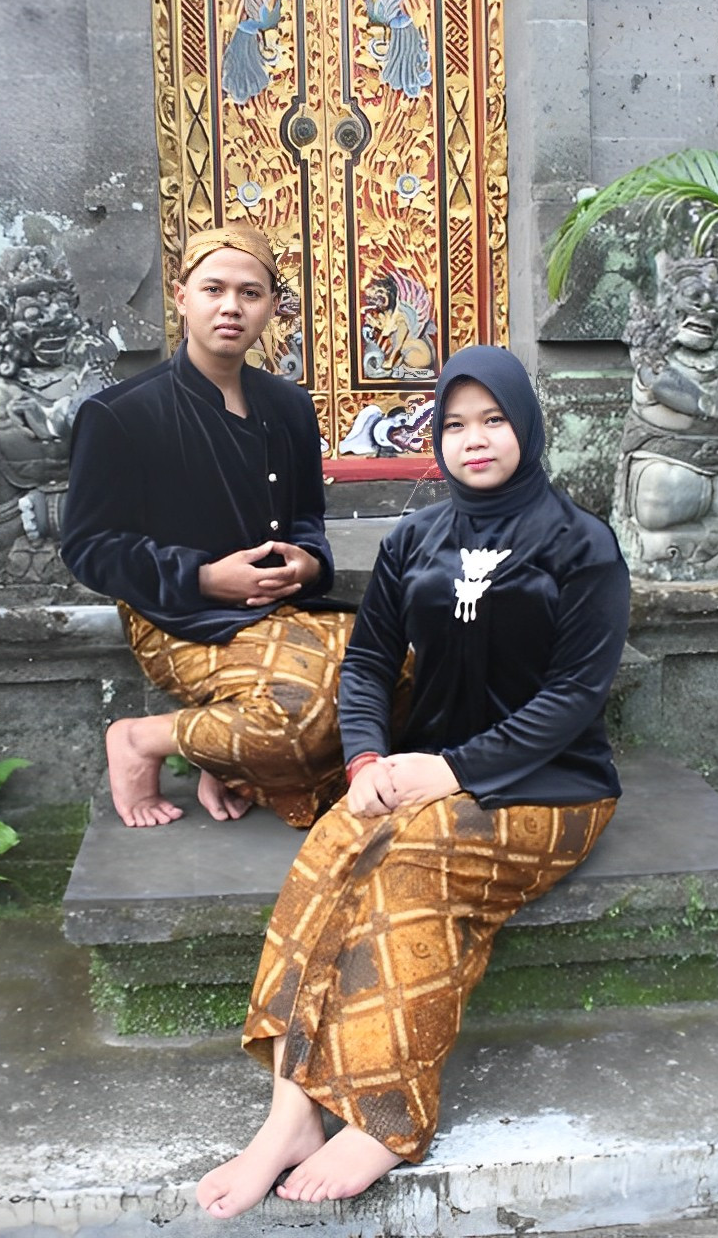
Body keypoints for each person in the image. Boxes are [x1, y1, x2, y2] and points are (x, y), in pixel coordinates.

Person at [195, 344, 630, 1217]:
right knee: (335, 842)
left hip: (551, 787)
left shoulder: (582, 546)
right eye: (455, 425)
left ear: (526, 425)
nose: (475, 439)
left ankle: (386, 1116)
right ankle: (290, 1114)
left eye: (494, 420)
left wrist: (452, 768)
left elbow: (574, 697)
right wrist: (364, 759)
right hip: (417, 770)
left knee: (408, 862)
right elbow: (366, 665)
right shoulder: (415, 538)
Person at [61, 223, 354, 829]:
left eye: (250, 293)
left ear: (272, 306)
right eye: (213, 289)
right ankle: (141, 739)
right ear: (181, 296)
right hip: (178, 616)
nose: (231, 306)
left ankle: (224, 755)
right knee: (300, 714)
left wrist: (308, 560)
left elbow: (306, 516)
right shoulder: (120, 414)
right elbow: (89, 547)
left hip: (281, 607)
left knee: (401, 667)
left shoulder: (290, 407)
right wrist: (202, 576)